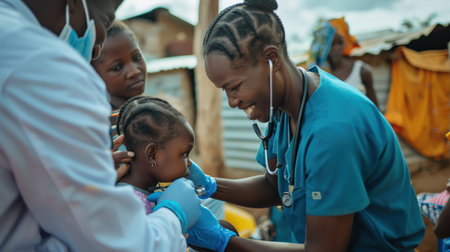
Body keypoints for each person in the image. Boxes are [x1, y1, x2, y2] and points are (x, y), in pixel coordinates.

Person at [185, 0, 425, 251]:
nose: (232, 102)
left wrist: (227, 243)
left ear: (271, 59)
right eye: (224, 90)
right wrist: (208, 185)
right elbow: (274, 187)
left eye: (234, 87)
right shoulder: (285, 108)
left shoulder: (332, 132)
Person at [0, 0, 201, 250]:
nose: (94, 51)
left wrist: (89, 171)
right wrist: (174, 215)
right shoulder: (41, 66)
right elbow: (119, 243)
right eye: (105, 22)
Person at [309, 17, 379, 108]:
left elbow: (375, 112)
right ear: (322, 47)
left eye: (340, 43)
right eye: (331, 44)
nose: (336, 48)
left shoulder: (362, 71)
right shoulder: (316, 77)